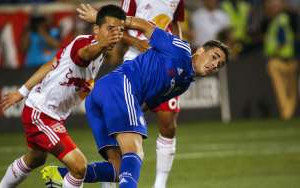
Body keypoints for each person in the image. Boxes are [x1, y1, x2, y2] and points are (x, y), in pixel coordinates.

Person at [41, 3, 229, 188]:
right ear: (201, 50)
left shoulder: (184, 83)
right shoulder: (181, 49)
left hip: (101, 96)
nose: (214, 64)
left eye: (219, 64)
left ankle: (59, 175)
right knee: (135, 153)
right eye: (214, 57)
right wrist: (105, 19)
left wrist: (123, 120)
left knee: (119, 169)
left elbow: (145, 104)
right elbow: (146, 26)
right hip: (120, 86)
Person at [0, 5, 126, 188]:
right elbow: (84, 54)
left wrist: (21, 92)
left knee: (35, 159)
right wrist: (103, 44)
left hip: (48, 113)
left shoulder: (101, 54)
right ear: (96, 29)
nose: (116, 34)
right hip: (41, 114)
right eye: (110, 29)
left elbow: (51, 64)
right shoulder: (84, 45)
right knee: (79, 166)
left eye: (120, 30)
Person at [120, 1, 185, 187]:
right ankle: (111, 180)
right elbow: (117, 26)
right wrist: (136, 42)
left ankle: (160, 184)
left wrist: (179, 51)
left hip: (166, 64)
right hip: (136, 61)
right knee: (124, 125)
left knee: (168, 125)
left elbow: (176, 23)